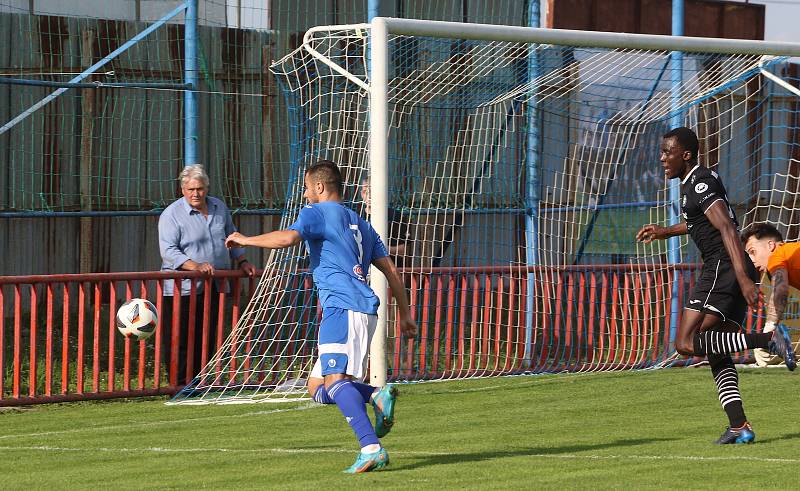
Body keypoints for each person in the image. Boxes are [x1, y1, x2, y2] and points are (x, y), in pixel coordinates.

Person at [225, 159, 417, 473]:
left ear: (319, 186)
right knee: (317, 386)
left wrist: (245, 240)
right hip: (358, 309)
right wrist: (406, 314)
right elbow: (391, 270)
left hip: (343, 307)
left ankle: (371, 447)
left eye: (305, 188)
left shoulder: (315, 213)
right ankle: (375, 395)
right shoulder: (361, 223)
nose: (304, 195)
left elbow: (287, 239)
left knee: (336, 381)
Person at [635, 127, 795, 445]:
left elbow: (726, 228)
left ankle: (768, 338)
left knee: (686, 341)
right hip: (727, 269)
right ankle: (739, 426)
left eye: (668, 151)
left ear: (687, 154)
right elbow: (699, 222)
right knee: (714, 347)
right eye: (662, 151)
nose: (662, 157)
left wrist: (745, 279)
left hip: (723, 268)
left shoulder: (700, 181)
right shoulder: (693, 183)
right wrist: (664, 231)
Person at [158, 164, 256, 384]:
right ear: (182, 189)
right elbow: (168, 251)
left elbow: (232, 237)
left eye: (200, 189)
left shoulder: (219, 207)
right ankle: (180, 384)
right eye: (191, 189)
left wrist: (243, 260)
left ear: (207, 188)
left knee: (208, 336)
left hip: (215, 284)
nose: (196, 194)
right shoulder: (171, 215)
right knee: (180, 338)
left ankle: (202, 382)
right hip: (181, 288)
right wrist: (196, 266)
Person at [742, 222, 800, 367]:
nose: (751, 259)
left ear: (770, 245)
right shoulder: (791, 254)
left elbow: (780, 289)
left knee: (761, 353)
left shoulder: (778, 255)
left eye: (752, 252)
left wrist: (769, 329)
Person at [360, 175, 412, 267]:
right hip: (361, 272)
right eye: (365, 192)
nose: (369, 196)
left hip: (389, 270)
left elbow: (404, 251)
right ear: (361, 194)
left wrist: (379, 249)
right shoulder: (356, 215)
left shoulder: (395, 216)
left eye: (372, 191)